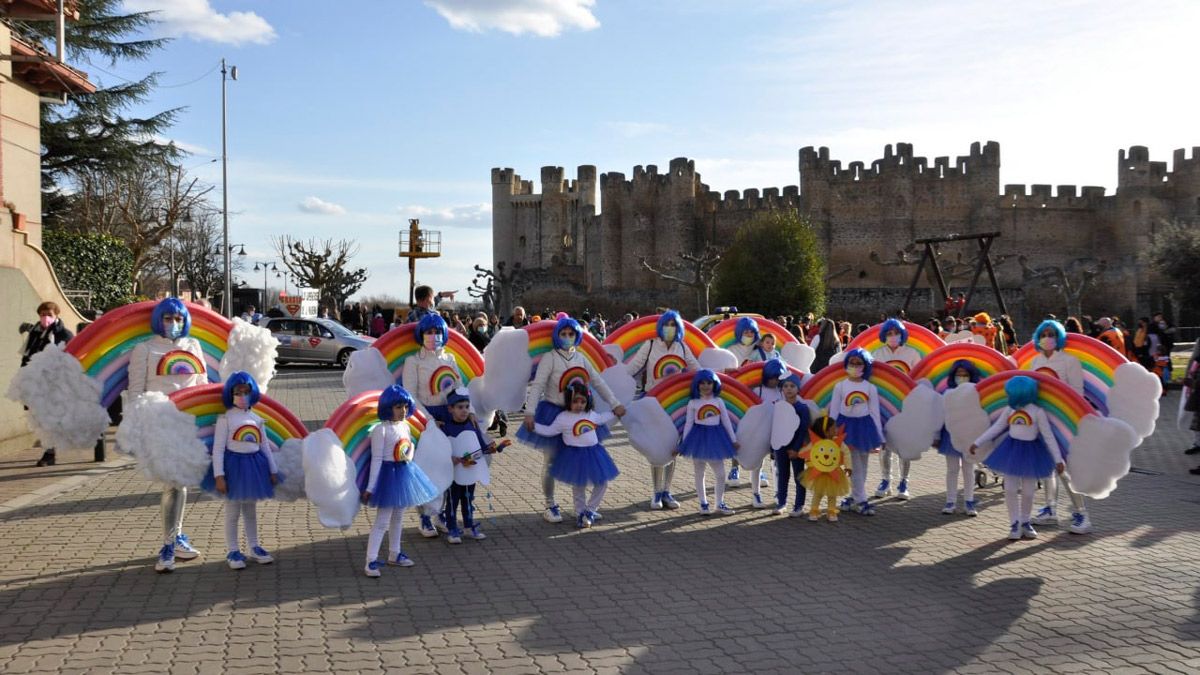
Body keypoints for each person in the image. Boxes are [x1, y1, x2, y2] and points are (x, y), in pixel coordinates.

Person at [518, 315, 625, 524]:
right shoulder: (550, 357)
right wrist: (529, 412)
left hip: (579, 415)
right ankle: (550, 505)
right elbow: (538, 385)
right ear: (557, 336)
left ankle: (585, 508)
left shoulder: (581, 358)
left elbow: (598, 382)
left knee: (583, 459)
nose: (567, 337)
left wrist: (614, 403)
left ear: (577, 336)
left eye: (571, 334)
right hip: (553, 413)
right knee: (550, 461)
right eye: (563, 334)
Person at [127, 298, 209, 573]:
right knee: (173, 483)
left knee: (181, 482)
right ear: (158, 320)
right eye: (167, 318)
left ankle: (177, 536)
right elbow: (137, 391)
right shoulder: (145, 350)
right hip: (160, 425)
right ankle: (168, 544)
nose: (173, 323)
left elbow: (203, 386)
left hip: (188, 423)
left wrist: (206, 421)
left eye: (178, 318)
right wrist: (137, 429)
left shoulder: (193, 346)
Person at [970, 376, 1065, 541]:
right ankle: (1014, 523)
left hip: (1031, 452)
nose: (1009, 396)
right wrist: (977, 442)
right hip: (1011, 450)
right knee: (1010, 489)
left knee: (1028, 492)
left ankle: (1025, 521)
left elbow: (1048, 436)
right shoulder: (1010, 409)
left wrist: (1058, 459)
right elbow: (998, 427)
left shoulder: (1037, 412)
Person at [200, 372, 279, 570]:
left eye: (246, 391)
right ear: (230, 394)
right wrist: (219, 476)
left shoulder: (256, 418)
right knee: (232, 511)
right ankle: (233, 550)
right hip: (233, 468)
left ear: (253, 393)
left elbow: (265, 446)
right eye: (238, 392)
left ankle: (254, 546)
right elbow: (218, 449)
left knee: (250, 510)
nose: (242, 396)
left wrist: (273, 469)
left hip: (254, 468)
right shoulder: (225, 419)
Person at [625, 311, 700, 510]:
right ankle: (656, 492)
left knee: (672, 447)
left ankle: (667, 491)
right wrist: (614, 377)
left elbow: (696, 369)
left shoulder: (682, 347)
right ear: (660, 326)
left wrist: (718, 377)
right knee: (657, 447)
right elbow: (633, 368)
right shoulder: (649, 345)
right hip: (653, 401)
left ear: (679, 328)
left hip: (677, 403)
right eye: (666, 324)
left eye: (673, 324)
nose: (670, 328)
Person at [362, 385, 439, 577]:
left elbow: (409, 448)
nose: (403, 411)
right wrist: (371, 487)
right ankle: (370, 560)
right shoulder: (381, 430)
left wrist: (409, 452)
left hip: (404, 473)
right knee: (382, 521)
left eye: (405, 406)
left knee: (398, 518)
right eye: (398, 407)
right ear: (388, 407)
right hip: (388, 477)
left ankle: (394, 553)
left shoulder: (405, 426)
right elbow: (377, 459)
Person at [1026, 320, 1091, 534]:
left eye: (1051, 333)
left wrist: (1069, 418)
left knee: (1065, 467)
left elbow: (1077, 393)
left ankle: (1082, 514)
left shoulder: (1070, 360)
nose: (1047, 337)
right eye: (1043, 334)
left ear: (1059, 337)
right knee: (1047, 465)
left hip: (1063, 419)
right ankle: (1050, 509)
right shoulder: (1035, 361)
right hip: (1041, 418)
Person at [535, 382, 622, 528]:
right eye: (575, 401)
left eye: (583, 401)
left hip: (594, 453)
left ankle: (590, 510)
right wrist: (534, 426)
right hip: (574, 455)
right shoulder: (563, 417)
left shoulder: (590, 414)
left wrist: (614, 412)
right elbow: (550, 431)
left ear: (587, 401)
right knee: (578, 486)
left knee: (602, 483)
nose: (579, 404)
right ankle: (581, 513)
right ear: (568, 401)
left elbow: (601, 418)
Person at [442, 388, 508, 543]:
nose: (464, 411)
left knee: (468, 498)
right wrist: (451, 459)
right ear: (450, 409)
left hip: (470, 471)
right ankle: (452, 529)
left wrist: (495, 448)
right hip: (453, 473)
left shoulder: (472, 425)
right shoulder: (446, 428)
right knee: (452, 500)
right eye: (460, 407)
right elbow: (441, 450)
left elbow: (481, 445)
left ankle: (468, 526)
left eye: (466, 406)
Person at [676, 369, 740, 516]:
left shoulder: (718, 401)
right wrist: (684, 444)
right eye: (702, 383)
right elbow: (688, 423)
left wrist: (734, 440)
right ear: (697, 385)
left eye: (709, 383)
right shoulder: (693, 402)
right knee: (699, 473)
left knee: (721, 474)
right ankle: (703, 503)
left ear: (714, 384)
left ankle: (719, 503)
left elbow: (726, 421)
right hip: (697, 439)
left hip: (716, 438)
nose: (706, 386)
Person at [19, 301, 74, 466]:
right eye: (42, 314)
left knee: (50, 418)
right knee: (40, 418)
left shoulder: (64, 334)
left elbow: (71, 359)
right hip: (36, 381)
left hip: (55, 382)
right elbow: (26, 357)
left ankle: (49, 453)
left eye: (49, 314)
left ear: (56, 315)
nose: (45, 318)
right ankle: (50, 448)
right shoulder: (35, 334)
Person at [871, 318, 920, 500]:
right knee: (885, 445)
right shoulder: (877, 354)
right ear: (884, 335)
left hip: (905, 405)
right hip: (883, 404)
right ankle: (885, 480)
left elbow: (917, 378)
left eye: (896, 333)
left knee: (904, 444)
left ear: (902, 335)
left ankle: (904, 482)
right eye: (889, 333)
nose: (893, 337)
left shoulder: (912, 354)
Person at [831, 348, 883, 516]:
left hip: (865, 428)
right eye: (852, 363)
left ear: (865, 366)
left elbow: (874, 412)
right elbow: (834, 411)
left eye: (858, 363)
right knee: (854, 465)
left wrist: (879, 436)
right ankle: (861, 500)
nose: (854, 366)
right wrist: (832, 433)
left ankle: (854, 498)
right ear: (846, 364)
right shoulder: (840, 386)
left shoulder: (870, 388)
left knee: (863, 464)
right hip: (846, 428)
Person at [938, 360, 981, 517]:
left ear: (971, 376)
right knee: (952, 469)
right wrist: (936, 436)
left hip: (970, 435)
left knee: (969, 469)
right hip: (950, 434)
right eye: (958, 374)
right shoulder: (947, 393)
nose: (961, 377)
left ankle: (969, 501)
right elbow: (941, 416)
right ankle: (951, 501)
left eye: (965, 375)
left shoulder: (976, 392)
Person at [771, 372, 812, 517]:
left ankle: (799, 505)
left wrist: (796, 449)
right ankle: (781, 502)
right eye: (786, 386)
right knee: (782, 474)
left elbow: (802, 430)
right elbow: (775, 427)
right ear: (782, 389)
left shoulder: (802, 408)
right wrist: (774, 447)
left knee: (799, 476)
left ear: (798, 389)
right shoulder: (778, 406)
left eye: (792, 386)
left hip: (796, 448)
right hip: (780, 448)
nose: (789, 389)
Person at [800, 415, 851, 522]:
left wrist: (848, 466)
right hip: (819, 473)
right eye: (834, 428)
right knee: (818, 493)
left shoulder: (837, 441)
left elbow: (846, 452)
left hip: (834, 471)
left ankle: (831, 511)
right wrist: (802, 455)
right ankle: (814, 511)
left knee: (832, 494)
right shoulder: (816, 442)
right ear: (826, 431)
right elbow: (807, 451)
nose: (836, 430)